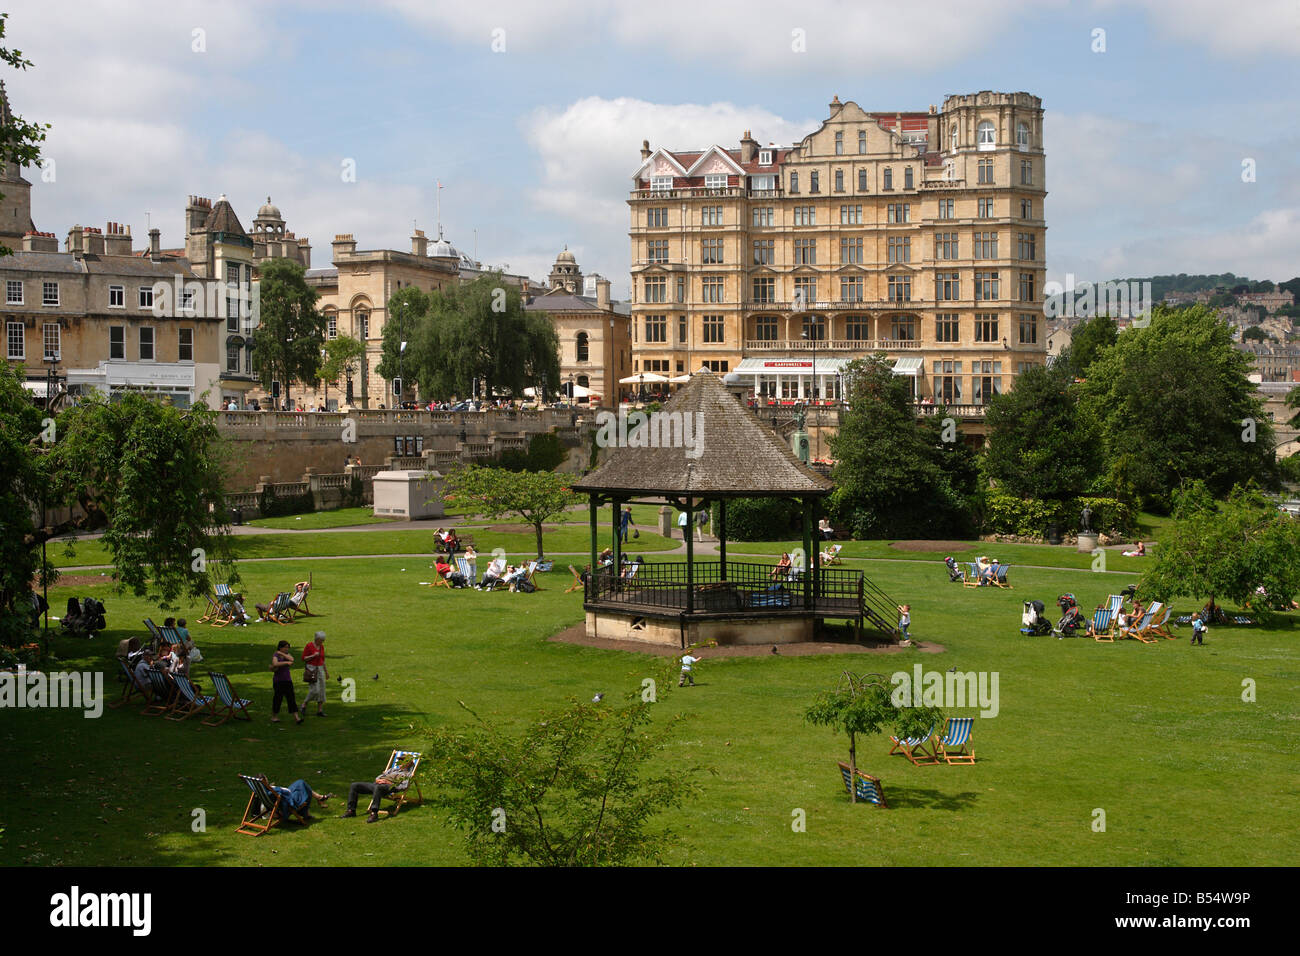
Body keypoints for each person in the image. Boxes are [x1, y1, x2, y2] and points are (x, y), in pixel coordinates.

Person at [342, 756, 417, 823]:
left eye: (402, 760)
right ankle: (351, 811)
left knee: (377, 788)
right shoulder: (392, 770)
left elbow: (403, 786)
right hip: (376, 784)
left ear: (408, 763)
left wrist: (388, 782)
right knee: (354, 785)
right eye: (400, 760)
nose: (399, 762)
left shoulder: (407, 774)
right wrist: (378, 780)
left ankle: (374, 813)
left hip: (389, 787)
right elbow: (378, 777)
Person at [253, 775, 330, 821]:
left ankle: (319, 798)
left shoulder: (260, 791)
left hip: (279, 803)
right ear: (265, 781)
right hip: (285, 805)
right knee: (302, 785)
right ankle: (315, 803)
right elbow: (285, 793)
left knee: (300, 783)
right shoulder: (271, 791)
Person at [270, 640, 303, 725]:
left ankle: (296, 718)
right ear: (281, 647)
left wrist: (283, 655)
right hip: (278, 681)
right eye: (285, 647)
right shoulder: (275, 655)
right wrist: (286, 662)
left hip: (287, 680)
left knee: (291, 699)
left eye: (288, 647)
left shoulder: (285, 655)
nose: (287, 649)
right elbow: (275, 663)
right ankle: (274, 716)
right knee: (278, 699)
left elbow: (292, 659)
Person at [303, 632, 328, 716]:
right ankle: (304, 704)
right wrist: (313, 655)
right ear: (317, 639)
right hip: (312, 669)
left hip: (320, 669)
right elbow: (304, 658)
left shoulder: (321, 647)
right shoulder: (309, 646)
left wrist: (326, 672)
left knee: (321, 690)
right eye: (321, 640)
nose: (322, 642)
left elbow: (323, 660)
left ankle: (320, 710)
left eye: (323, 641)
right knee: (315, 690)